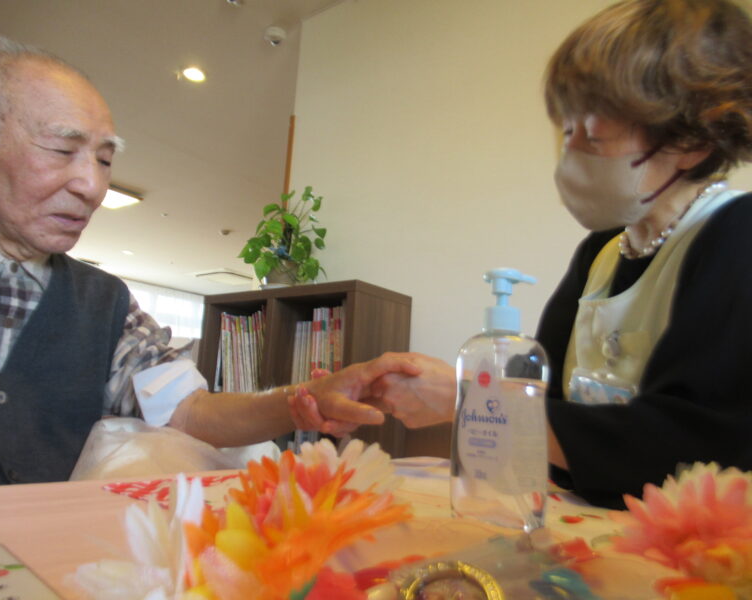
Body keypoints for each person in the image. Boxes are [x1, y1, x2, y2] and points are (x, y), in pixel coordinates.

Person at [292, 0, 752, 509]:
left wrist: (467, 400)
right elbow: (541, 406)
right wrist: (416, 389)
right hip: (587, 520)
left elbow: (695, 448)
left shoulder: (737, 234)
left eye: (595, 131)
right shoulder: (600, 252)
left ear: (692, 140)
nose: (572, 149)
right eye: (568, 128)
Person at [0, 37, 420, 488]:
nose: (92, 186)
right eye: (61, 150)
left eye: (105, 160)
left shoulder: (106, 301)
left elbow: (189, 410)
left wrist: (305, 398)